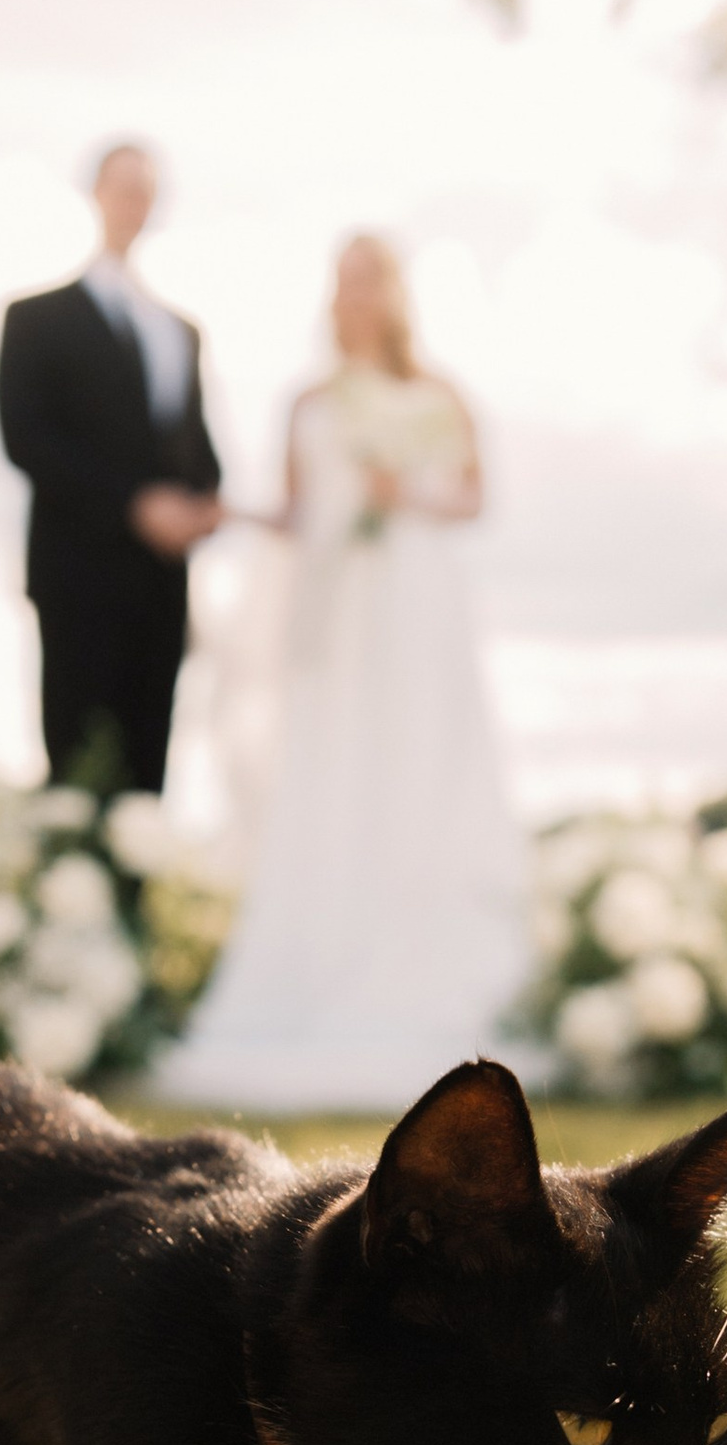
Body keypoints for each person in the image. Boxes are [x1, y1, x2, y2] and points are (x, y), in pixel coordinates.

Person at [156, 233, 530, 1109]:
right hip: (336, 611)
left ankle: (428, 971)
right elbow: (296, 513)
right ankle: (322, 966)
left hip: (416, 605)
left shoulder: (441, 393)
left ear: (396, 293)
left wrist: (410, 493)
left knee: (420, 769)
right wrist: (230, 515)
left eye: (370, 280)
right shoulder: (307, 402)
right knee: (333, 773)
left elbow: (476, 497)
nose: (356, 296)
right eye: (344, 281)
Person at [0, 141, 221, 795]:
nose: (133, 203)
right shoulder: (35, 320)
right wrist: (134, 504)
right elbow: (26, 441)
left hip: (161, 586)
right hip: (77, 578)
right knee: (75, 767)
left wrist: (203, 505)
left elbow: (197, 451)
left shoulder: (181, 331)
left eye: (144, 191)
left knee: (147, 774)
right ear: (94, 194)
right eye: (122, 188)